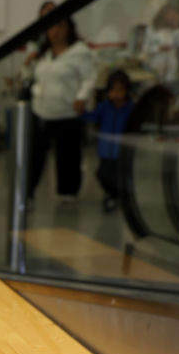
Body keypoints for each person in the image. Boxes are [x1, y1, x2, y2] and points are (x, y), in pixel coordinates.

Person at [28, 13, 97, 201]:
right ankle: (28, 192)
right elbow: (35, 78)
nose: (55, 31)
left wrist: (81, 97)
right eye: (51, 27)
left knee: (68, 155)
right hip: (42, 110)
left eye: (60, 26)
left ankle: (68, 192)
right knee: (35, 155)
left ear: (68, 29)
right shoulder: (43, 54)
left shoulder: (79, 52)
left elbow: (89, 78)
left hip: (67, 111)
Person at [83, 68, 135, 212]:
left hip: (122, 151)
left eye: (120, 90)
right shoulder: (104, 107)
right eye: (113, 90)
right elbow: (93, 118)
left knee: (119, 176)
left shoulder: (130, 109)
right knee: (103, 174)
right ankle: (113, 194)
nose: (116, 94)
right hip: (105, 150)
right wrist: (81, 113)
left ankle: (114, 196)